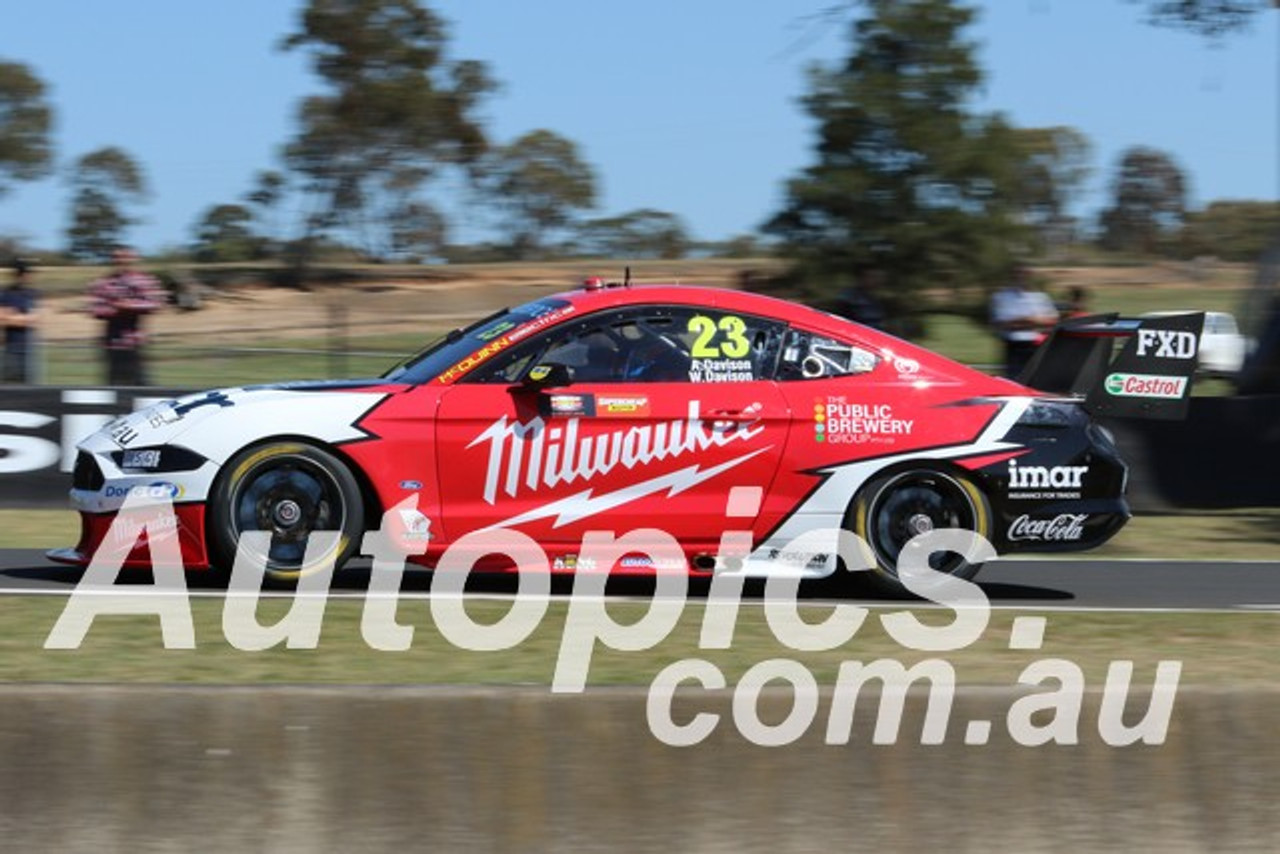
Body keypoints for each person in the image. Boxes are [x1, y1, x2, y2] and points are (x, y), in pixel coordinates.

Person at [88, 246, 164, 386]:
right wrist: (115, 309)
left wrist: (131, 305)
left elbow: (155, 303)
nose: (122, 260)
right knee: (113, 386)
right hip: (111, 343)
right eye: (117, 257)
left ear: (134, 259)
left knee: (142, 386)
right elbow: (94, 309)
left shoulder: (145, 280)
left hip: (135, 342)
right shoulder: (103, 283)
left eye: (126, 257)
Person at [990, 265, 1059, 379]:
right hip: (1013, 347)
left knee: (1035, 380)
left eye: (1025, 274)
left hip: (1036, 346)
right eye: (1018, 273)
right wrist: (1033, 321)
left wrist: (1021, 321)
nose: (1021, 277)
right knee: (1013, 381)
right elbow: (1002, 324)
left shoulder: (1041, 297)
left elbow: (1052, 322)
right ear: (1012, 276)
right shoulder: (1002, 297)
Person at [0, 258, 39, 383]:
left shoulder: (32, 294)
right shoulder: (5, 293)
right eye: (25, 273)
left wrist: (14, 316)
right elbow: (2, 319)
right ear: (18, 275)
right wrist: (24, 318)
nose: (28, 276)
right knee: (10, 388)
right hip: (11, 348)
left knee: (31, 389)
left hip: (29, 349)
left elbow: (35, 319)